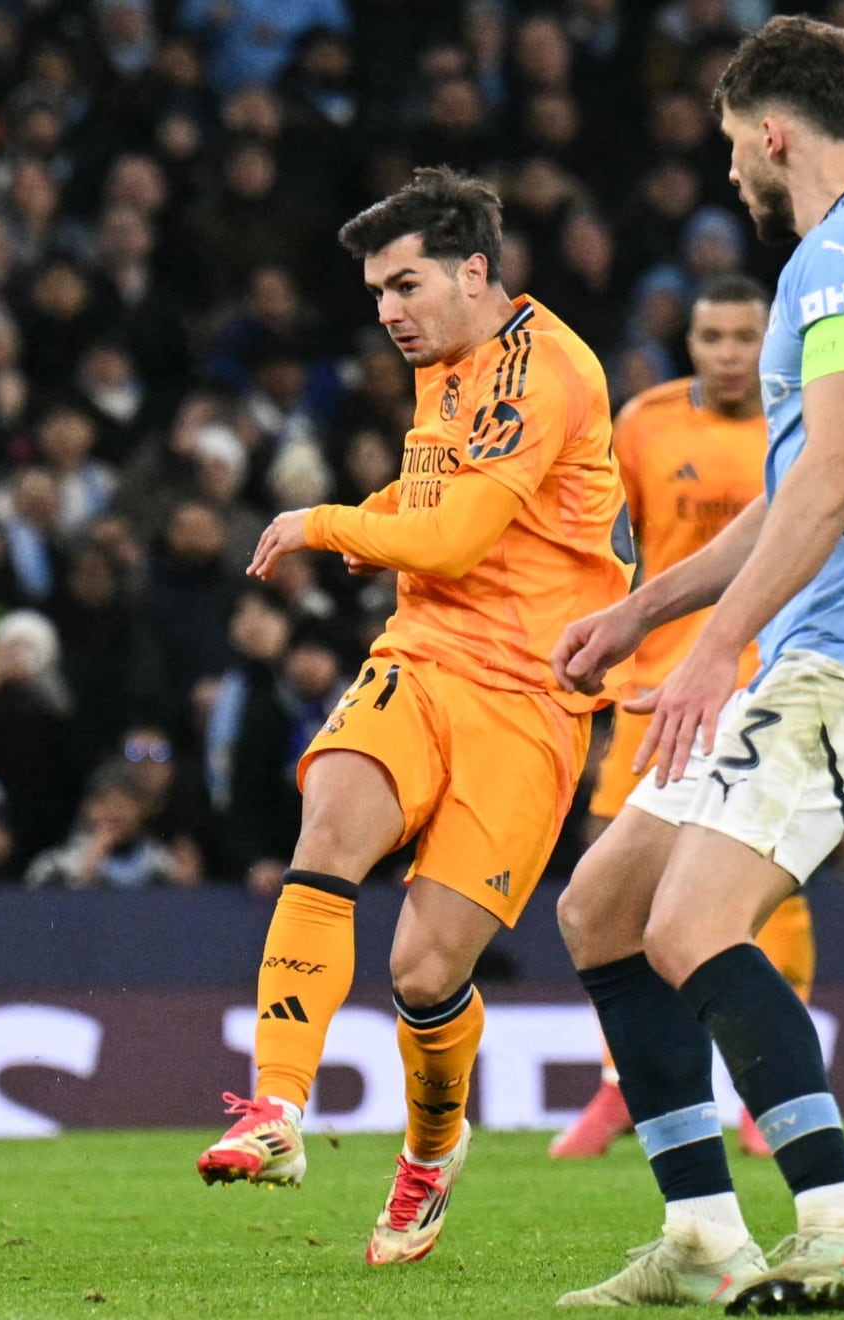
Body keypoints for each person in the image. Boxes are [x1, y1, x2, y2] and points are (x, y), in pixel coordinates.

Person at [550, 17, 844, 1309]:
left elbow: (837, 472)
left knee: (690, 924)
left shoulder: (840, 263)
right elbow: (793, 489)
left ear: (772, 130)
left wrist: (711, 653)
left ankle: (841, 1228)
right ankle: (702, 1236)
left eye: (734, 143)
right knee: (602, 908)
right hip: (807, 648)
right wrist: (648, 609)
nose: (732, 170)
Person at [197, 168, 632, 1267]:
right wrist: (358, 522)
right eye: (375, 293)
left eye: (404, 285)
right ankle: (275, 1111)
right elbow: (426, 508)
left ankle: (430, 1154)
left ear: (473, 272)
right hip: (420, 656)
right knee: (327, 836)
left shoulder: (539, 371)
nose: (386, 312)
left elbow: (449, 541)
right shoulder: (444, 364)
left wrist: (319, 521)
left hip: (529, 697)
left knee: (425, 974)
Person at [550, 275, 819, 1163]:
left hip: (759, 675)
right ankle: (622, 1087)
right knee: (610, 888)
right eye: (714, 336)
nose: (731, 353)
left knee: (762, 888)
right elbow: (610, 546)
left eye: (747, 336)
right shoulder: (646, 422)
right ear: (691, 342)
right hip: (653, 686)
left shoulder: (807, 423)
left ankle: (763, 1088)